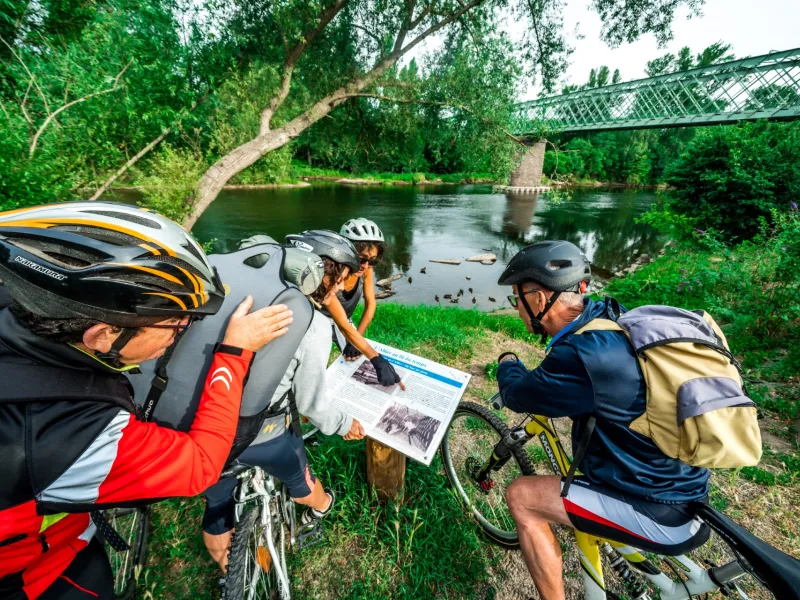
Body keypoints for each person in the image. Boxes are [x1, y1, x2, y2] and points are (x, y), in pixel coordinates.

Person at [0, 201, 294, 600]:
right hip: (37, 575)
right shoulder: (75, 436)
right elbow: (201, 465)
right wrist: (234, 352)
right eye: (176, 324)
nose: (182, 333)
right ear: (103, 336)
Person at [495, 240, 710, 600]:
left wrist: (507, 365)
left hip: (656, 507)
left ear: (537, 297)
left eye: (515, 298)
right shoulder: (611, 316)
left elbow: (520, 396)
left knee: (521, 496)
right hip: (683, 481)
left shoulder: (580, 355)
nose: (516, 308)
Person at [202, 230, 366, 574]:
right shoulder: (311, 322)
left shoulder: (242, 295)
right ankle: (320, 509)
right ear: (328, 274)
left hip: (207, 427)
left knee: (217, 505)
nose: (341, 290)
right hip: (263, 434)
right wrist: (343, 424)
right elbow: (310, 403)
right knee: (304, 484)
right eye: (343, 279)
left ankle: (240, 578)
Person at [322, 218, 403, 388]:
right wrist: (374, 356)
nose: (365, 266)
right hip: (319, 320)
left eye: (372, 261)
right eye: (361, 259)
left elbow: (370, 304)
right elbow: (342, 324)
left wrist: (356, 338)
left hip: (343, 319)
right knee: (317, 370)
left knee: (354, 362)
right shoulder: (331, 271)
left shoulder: (366, 270)